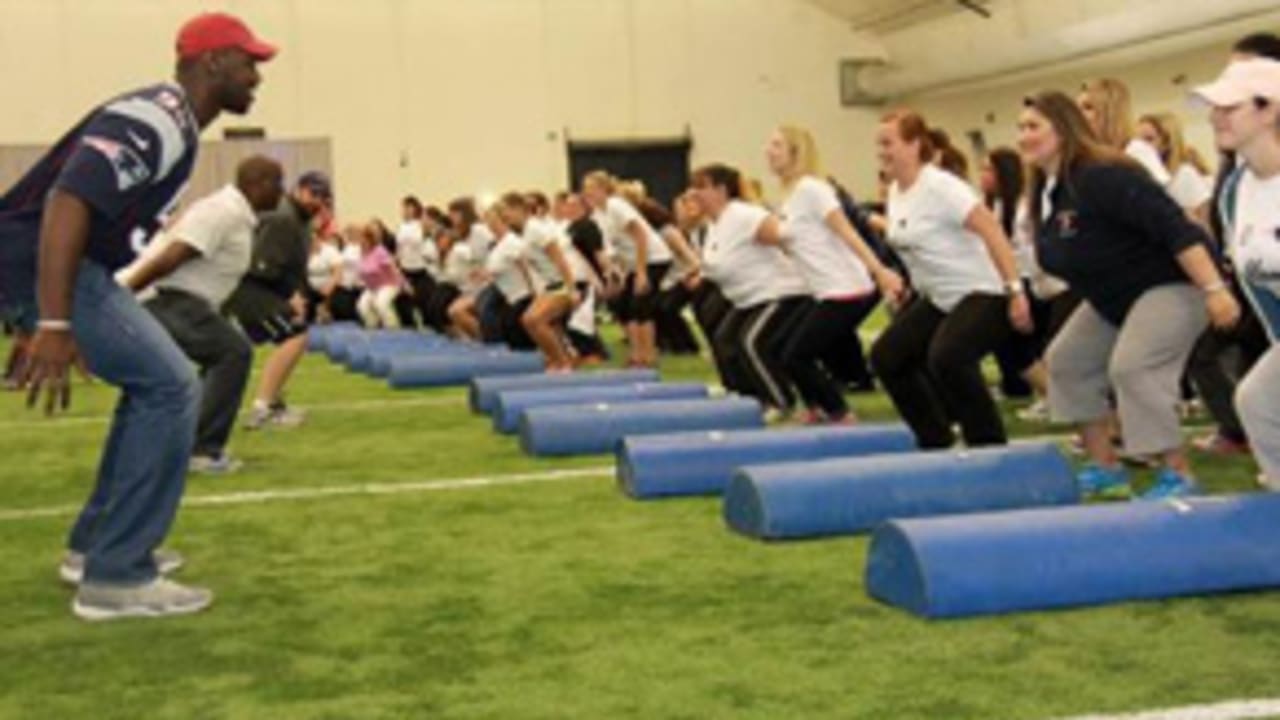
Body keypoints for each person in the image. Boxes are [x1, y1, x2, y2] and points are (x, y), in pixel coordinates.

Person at [3, 12, 275, 620]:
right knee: (172, 385)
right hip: (49, 267)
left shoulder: (173, 123)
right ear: (212, 63)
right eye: (248, 61)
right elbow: (66, 201)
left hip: (55, 268)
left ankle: (97, 546)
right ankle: (118, 573)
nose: (257, 76)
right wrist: (51, 321)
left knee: (157, 382)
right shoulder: (160, 116)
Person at [1021, 90, 1240, 499]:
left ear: (1064, 131)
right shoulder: (1050, 192)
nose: (1023, 136)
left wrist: (1214, 289)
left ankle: (1178, 475)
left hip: (1174, 284)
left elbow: (1178, 227)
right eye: (1021, 128)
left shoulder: (1103, 175)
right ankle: (1106, 467)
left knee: (1134, 367)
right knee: (1067, 361)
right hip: (1116, 298)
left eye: (1033, 127)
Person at [870, 110, 1032, 449]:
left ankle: (988, 446)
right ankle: (936, 440)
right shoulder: (897, 191)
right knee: (887, 357)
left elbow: (993, 232)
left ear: (914, 145)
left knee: (948, 356)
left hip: (984, 292)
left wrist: (1015, 290)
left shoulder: (941, 186)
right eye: (879, 143)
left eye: (889, 143)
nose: (881, 151)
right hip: (940, 298)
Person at [122, 156, 284, 475]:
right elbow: (172, 257)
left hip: (183, 301)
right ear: (258, 184)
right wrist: (122, 296)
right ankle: (203, 451)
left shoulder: (236, 214)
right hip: (168, 299)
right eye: (278, 183)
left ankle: (182, 445)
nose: (282, 191)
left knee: (204, 365)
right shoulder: (221, 212)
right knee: (232, 353)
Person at [765, 125, 900, 424]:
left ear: (795, 153)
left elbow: (848, 232)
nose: (768, 152)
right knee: (777, 347)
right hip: (822, 290)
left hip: (845, 289)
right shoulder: (791, 196)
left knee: (796, 355)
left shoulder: (813, 189)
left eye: (776, 146)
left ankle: (840, 413)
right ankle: (815, 406)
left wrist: (879, 271)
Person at [1194, 58, 1280, 489]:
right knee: (1258, 400)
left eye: (1229, 107)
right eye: (1214, 107)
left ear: (1269, 110)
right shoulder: (1235, 192)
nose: (1215, 117)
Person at [691, 163, 811, 420]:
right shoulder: (714, 224)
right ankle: (744, 398)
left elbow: (787, 238)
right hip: (748, 299)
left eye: (702, 187)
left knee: (751, 343)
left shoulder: (743, 214)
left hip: (779, 293)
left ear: (721, 190)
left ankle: (782, 402)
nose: (695, 193)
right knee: (723, 340)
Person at [225, 171, 331, 430]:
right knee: (294, 336)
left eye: (322, 196)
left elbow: (293, 268)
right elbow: (263, 266)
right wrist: (289, 297)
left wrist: (304, 297)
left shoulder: (302, 220)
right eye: (312, 193)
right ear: (299, 190)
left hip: (261, 287)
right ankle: (263, 409)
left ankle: (272, 403)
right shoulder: (284, 217)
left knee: (293, 335)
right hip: (250, 287)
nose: (316, 200)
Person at [582, 171, 673, 367]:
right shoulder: (598, 215)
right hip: (632, 262)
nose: (587, 193)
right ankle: (635, 353)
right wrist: (617, 276)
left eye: (592, 189)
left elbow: (641, 235)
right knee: (624, 306)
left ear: (605, 190)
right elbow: (612, 250)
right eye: (586, 189)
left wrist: (640, 273)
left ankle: (648, 354)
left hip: (654, 258)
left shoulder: (616, 206)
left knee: (641, 306)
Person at [1078, 77, 1171, 183]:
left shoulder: (1137, 152)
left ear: (1109, 112)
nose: (1079, 114)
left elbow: (1159, 194)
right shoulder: (1088, 158)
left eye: (1088, 107)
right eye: (1077, 108)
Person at [395, 195, 438, 330]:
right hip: (406, 269)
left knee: (424, 302)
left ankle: (430, 329)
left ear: (414, 208)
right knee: (401, 301)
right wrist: (399, 267)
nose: (405, 211)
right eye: (403, 208)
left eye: (408, 207)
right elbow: (400, 249)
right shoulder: (401, 227)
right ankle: (409, 330)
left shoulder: (420, 225)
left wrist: (427, 229)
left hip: (421, 269)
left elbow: (428, 245)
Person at [356, 220, 406, 329]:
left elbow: (393, 268)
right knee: (362, 306)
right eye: (360, 239)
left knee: (381, 302)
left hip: (390, 284)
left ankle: (393, 328)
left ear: (369, 239)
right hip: (373, 287)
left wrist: (404, 284)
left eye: (363, 239)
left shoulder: (380, 251)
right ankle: (373, 326)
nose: (361, 241)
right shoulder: (362, 253)